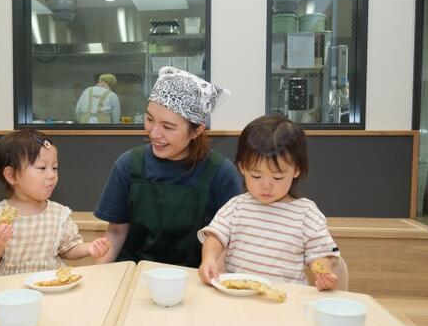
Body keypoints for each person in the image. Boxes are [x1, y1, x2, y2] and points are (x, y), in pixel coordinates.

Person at [95, 66, 243, 268]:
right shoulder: (129, 164)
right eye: (149, 119)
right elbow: (116, 231)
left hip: (193, 279)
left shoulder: (221, 173)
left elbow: (227, 243)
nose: (154, 133)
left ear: (197, 130)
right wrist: (98, 275)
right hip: (134, 274)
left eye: (168, 127)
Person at [198, 116, 340, 290]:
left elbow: (320, 254)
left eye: (278, 177)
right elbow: (215, 237)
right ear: (242, 167)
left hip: (285, 299)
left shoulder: (306, 213)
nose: (266, 185)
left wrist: (323, 272)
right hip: (239, 295)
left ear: (296, 170)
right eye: (256, 176)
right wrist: (209, 258)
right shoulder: (236, 206)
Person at [0, 129, 110, 276]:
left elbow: (68, 249)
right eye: (42, 168)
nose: (52, 175)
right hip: (9, 291)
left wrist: (88, 248)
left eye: (54, 168)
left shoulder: (58, 214)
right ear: (11, 175)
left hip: (50, 286)